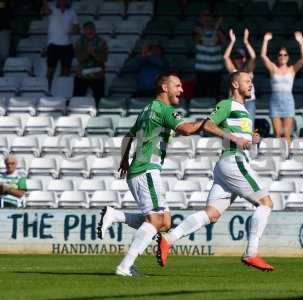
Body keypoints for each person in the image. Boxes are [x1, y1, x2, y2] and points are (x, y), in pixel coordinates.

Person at [97, 72, 249, 277]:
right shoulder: (164, 109)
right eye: (177, 86)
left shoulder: (147, 109)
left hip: (140, 169)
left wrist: (125, 161)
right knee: (157, 221)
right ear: (164, 88)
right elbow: (186, 129)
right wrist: (207, 122)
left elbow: (128, 136)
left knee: (165, 222)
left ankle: (115, 215)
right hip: (147, 169)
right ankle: (125, 266)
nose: (182, 90)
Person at [157, 71, 274, 272]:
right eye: (247, 81)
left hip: (228, 166)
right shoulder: (227, 104)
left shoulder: (244, 110)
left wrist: (250, 138)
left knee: (211, 215)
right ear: (235, 85)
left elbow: (238, 135)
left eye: (252, 82)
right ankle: (251, 253)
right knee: (265, 202)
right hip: (233, 161)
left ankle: (168, 239)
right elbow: (209, 125)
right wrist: (235, 139)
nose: (251, 84)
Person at [260, 31, 303, 145]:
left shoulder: (292, 69)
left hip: (287, 101)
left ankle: (288, 157)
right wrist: (265, 40)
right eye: (280, 55)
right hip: (275, 101)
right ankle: (278, 157)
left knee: (286, 134)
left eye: (285, 55)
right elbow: (263, 56)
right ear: (277, 57)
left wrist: (301, 43)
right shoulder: (273, 69)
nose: (282, 57)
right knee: (277, 134)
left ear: (288, 57)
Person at [41, 0, 80, 89]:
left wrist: (74, 30)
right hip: (53, 45)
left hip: (67, 45)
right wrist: (44, 4)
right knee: (50, 71)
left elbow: (77, 28)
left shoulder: (72, 11)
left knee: (65, 72)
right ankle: (48, 90)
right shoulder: (51, 7)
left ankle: (61, 91)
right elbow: (44, 13)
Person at [223, 28, 256, 127]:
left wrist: (246, 42)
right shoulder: (233, 71)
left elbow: (253, 57)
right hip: (234, 102)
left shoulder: (248, 70)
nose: (239, 60)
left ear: (245, 58)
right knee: (234, 127)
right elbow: (225, 57)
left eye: (241, 57)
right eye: (237, 58)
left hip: (248, 102)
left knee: (248, 128)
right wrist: (232, 41)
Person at [73, 21, 108, 106]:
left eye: (91, 29)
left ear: (95, 30)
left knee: (99, 99)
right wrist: (87, 52)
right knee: (77, 98)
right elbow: (79, 58)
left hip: (97, 75)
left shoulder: (102, 42)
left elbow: (104, 59)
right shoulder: (79, 42)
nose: (89, 31)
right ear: (84, 31)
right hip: (82, 75)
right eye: (87, 30)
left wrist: (93, 53)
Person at [193, 10, 225, 99]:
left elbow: (223, 42)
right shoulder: (196, 30)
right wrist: (204, 30)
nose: (206, 18)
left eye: (208, 16)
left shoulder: (220, 31)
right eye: (204, 16)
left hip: (216, 70)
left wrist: (217, 29)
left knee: (214, 96)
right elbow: (196, 41)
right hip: (201, 69)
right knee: (200, 96)